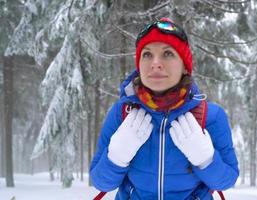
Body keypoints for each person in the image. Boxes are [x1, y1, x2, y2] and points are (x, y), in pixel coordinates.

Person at [90, 18, 239, 200]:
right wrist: (116, 157)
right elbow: (101, 182)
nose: (155, 63)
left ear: (185, 66)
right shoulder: (122, 113)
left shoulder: (211, 116)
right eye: (147, 55)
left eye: (167, 54)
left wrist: (206, 160)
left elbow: (227, 181)